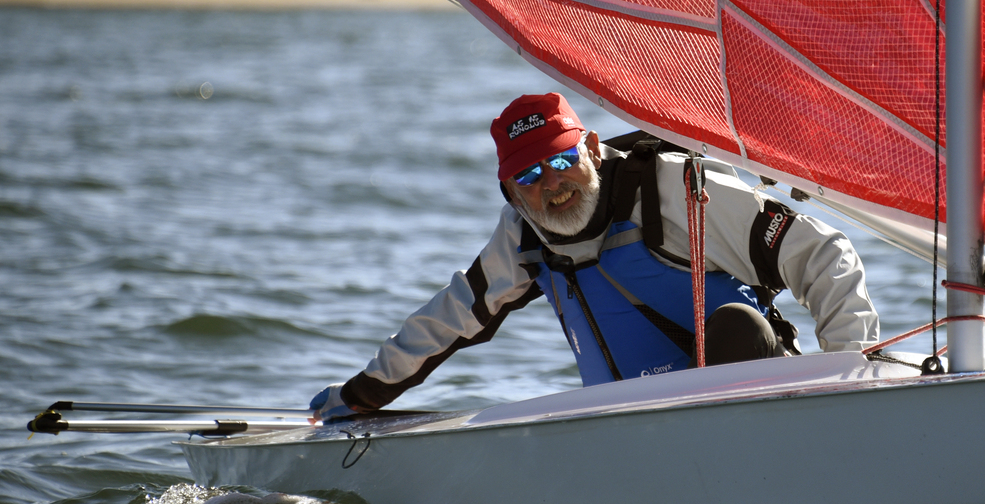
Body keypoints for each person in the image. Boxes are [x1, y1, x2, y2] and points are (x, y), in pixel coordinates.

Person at [309, 92, 879, 418]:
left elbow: (822, 253)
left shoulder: (677, 191)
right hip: (637, 437)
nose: (552, 186)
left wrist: (850, 380)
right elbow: (449, 320)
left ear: (592, 150)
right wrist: (361, 395)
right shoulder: (524, 235)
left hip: (757, 414)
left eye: (561, 162)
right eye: (529, 176)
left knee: (734, 324)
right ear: (510, 192)